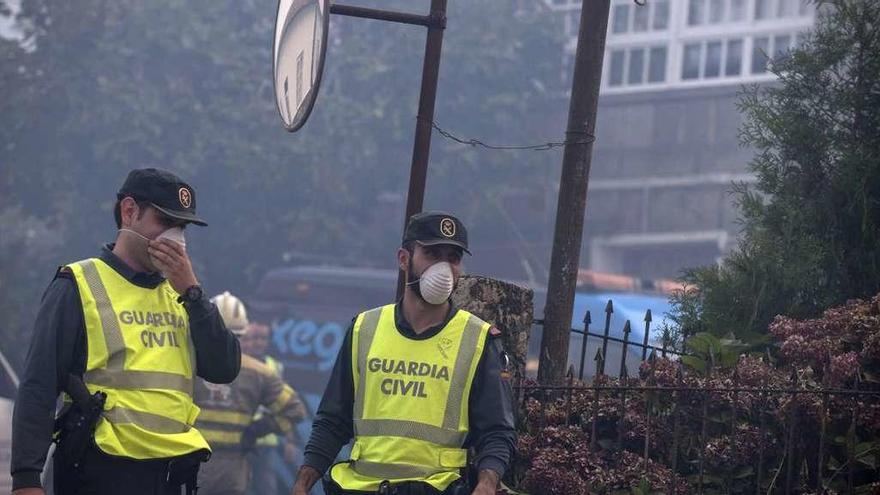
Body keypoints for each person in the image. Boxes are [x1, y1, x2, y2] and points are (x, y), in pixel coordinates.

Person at [10, 168, 242, 495]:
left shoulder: (183, 295)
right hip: (99, 470)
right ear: (129, 212)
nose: (175, 238)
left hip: (169, 473)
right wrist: (26, 479)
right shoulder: (79, 283)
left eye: (182, 227)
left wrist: (192, 293)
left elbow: (224, 368)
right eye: (165, 222)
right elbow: (38, 385)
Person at [292, 211, 516, 495]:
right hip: (361, 488)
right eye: (432, 254)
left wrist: (487, 483)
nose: (444, 268)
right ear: (403, 259)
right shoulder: (365, 328)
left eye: (453, 258)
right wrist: (302, 483)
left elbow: (497, 431)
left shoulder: (478, 339)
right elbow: (332, 421)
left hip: (436, 488)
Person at [195, 292, 307, 495]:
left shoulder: (187, 364)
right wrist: (258, 429)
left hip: (190, 468)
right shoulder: (260, 372)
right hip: (232, 473)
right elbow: (296, 410)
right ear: (243, 332)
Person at [241, 321, 300, 495]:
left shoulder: (275, 366)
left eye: (262, 338)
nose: (257, 343)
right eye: (251, 339)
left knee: (266, 487)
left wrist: (290, 440)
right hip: (239, 437)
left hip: (266, 441)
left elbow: (287, 405)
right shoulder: (235, 364)